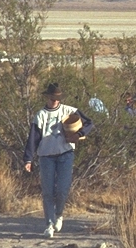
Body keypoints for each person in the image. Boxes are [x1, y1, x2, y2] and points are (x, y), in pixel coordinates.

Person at [23, 83, 94, 238]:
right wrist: (28, 158)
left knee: (62, 190)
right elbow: (33, 139)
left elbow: (89, 123)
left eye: (57, 98)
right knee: (48, 191)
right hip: (46, 156)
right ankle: (49, 224)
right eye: (52, 97)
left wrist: (79, 134)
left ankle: (59, 214)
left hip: (65, 154)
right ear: (47, 97)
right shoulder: (40, 115)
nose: (55, 101)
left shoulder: (69, 110)